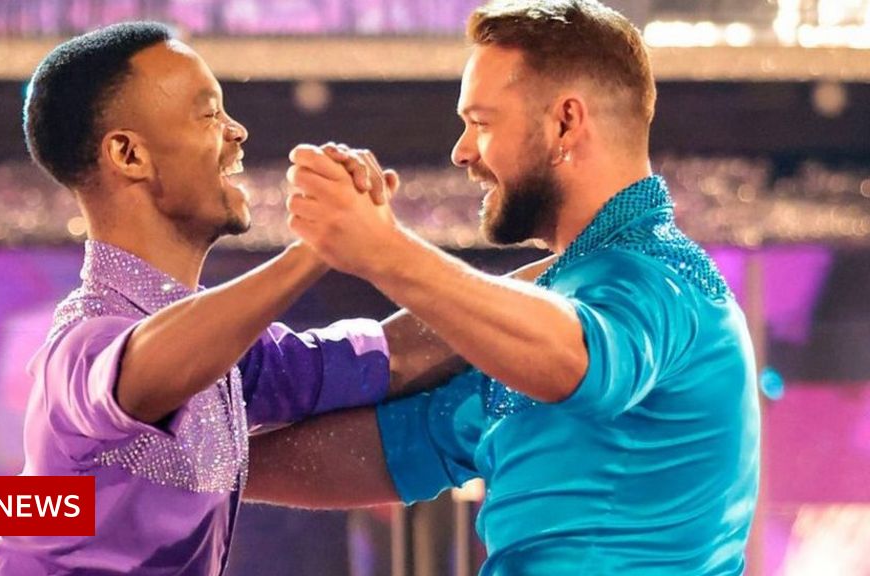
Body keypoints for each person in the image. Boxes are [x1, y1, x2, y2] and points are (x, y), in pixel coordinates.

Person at [246, 1, 760, 573]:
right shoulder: (565, 289)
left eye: (482, 123)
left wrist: (384, 250)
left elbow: (578, 361)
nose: (461, 151)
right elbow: (404, 443)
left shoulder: (665, 279)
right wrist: (198, 462)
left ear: (565, 122)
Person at [0, 21, 497, 575]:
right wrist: (317, 248)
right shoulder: (81, 345)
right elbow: (147, 368)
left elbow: (395, 356)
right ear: (129, 154)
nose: (237, 131)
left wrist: (561, 271)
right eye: (209, 114)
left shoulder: (231, 361)